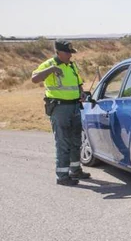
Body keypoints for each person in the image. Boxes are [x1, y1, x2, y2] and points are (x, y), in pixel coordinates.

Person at [31, 39, 91, 186]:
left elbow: (78, 83)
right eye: (67, 53)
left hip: (75, 106)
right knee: (63, 142)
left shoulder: (71, 65)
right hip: (59, 109)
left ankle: (75, 170)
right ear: (58, 52)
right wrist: (51, 70)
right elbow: (34, 79)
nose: (70, 56)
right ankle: (63, 176)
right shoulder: (49, 64)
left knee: (76, 140)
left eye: (71, 53)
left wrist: (81, 93)